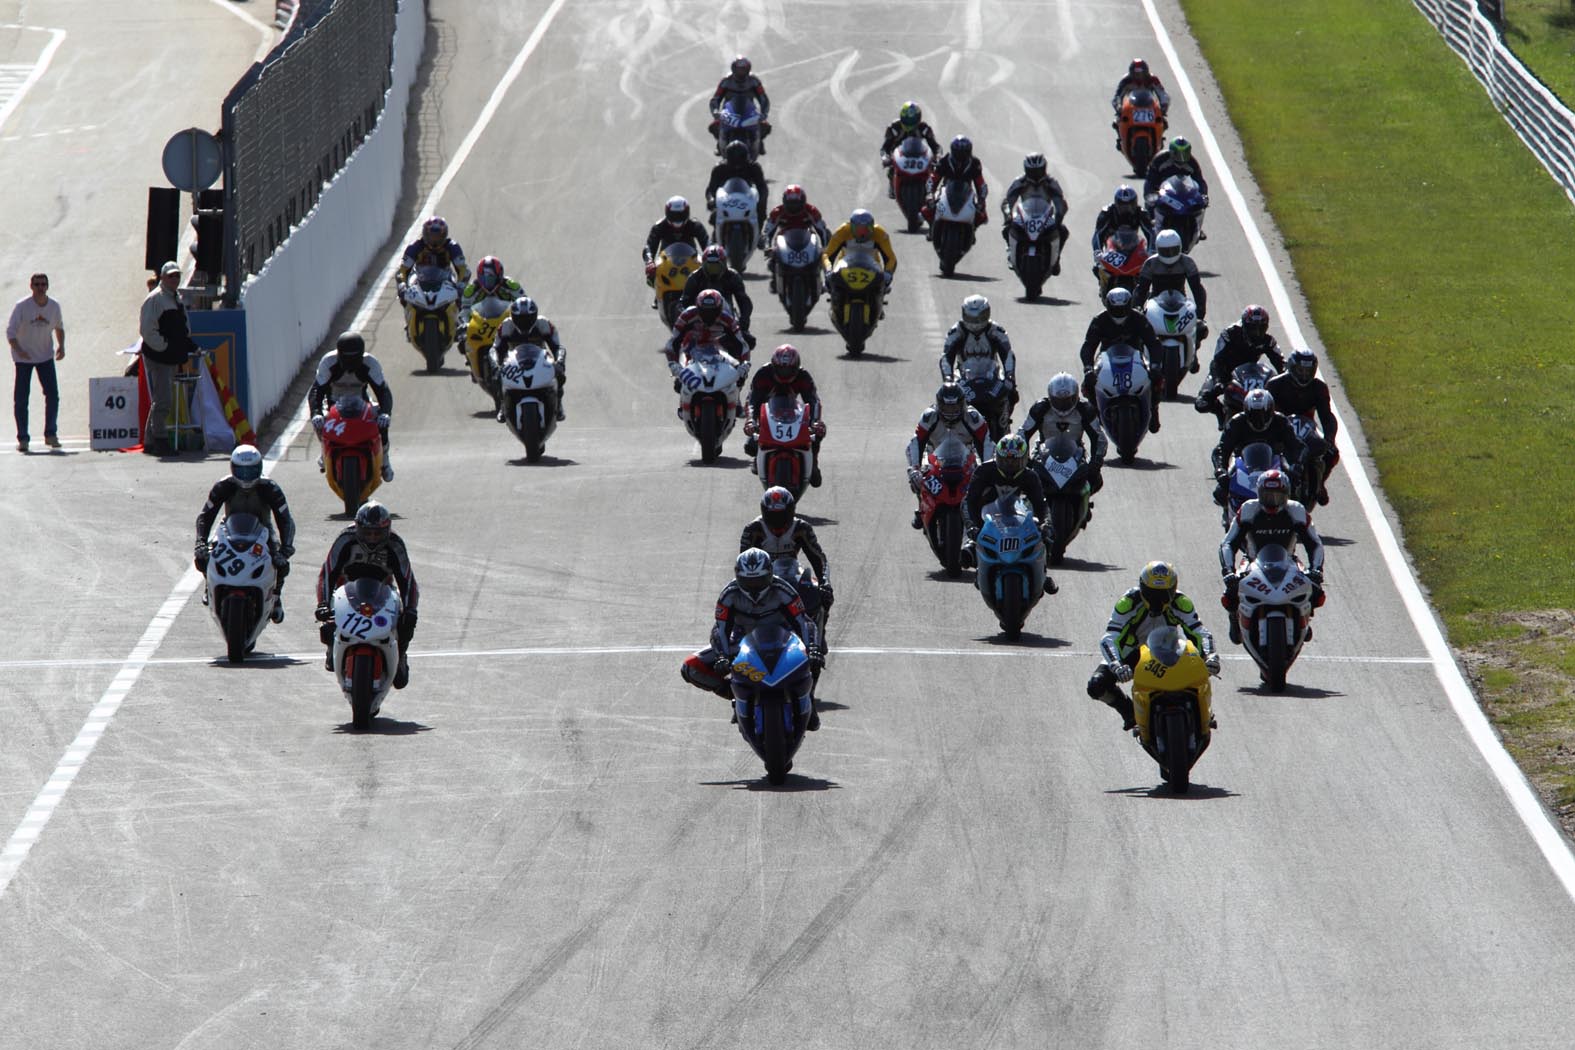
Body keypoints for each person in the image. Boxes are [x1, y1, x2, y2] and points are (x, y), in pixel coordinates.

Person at [679, 548, 825, 728]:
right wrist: (722, 655)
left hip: (783, 641)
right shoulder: (729, 594)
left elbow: (804, 621)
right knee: (690, 667)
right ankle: (736, 695)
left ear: (770, 574)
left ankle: (807, 698)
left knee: (813, 661)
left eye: (759, 580)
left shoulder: (783, 590)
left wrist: (812, 648)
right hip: (743, 643)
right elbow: (720, 629)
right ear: (738, 576)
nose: (754, 587)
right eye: (748, 581)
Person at [1086, 561, 1218, 730]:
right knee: (1096, 685)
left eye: (1164, 595)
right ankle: (1129, 712)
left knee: (1202, 672)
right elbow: (1110, 637)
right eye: (1151, 593)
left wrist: (1210, 655)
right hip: (1133, 653)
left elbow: (1200, 632)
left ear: (1173, 590)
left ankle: (1204, 715)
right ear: (1142, 588)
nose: (1157, 600)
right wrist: (1116, 664)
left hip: (1172, 651)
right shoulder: (1128, 603)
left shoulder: (1181, 602)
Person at [315, 500, 418, 689]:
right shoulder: (345, 538)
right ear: (358, 528)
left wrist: (411, 609)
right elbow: (327, 573)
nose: (372, 538)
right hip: (345, 590)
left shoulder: (395, 544)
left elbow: (408, 581)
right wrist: (322, 603)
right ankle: (332, 648)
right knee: (327, 624)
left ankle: (401, 654)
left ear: (387, 531)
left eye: (377, 534)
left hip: (382, 591)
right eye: (367, 533)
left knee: (406, 621)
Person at [1219, 469, 1326, 643]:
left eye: (1277, 496)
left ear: (1287, 495)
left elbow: (1315, 544)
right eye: (1268, 496)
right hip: (1252, 560)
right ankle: (1234, 616)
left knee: (1315, 590)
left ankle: (1305, 616)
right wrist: (1228, 572)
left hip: (1289, 560)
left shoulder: (1296, 510)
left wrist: (1316, 571)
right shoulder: (1248, 509)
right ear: (1259, 494)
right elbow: (1228, 543)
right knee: (1230, 592)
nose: (1273, 501)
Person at [194, 444, 296, 623]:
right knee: (202, 557)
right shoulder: (223, 485)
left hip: (263, 530)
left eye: (251, 471)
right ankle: (208, 586)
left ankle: (276, 596)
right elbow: (205, 516)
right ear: (233, 469)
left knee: (281, 563)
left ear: (260, 468)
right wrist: (200, 541)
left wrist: (286, 548)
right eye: (242, 471)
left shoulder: (270, 487)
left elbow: (285, 519)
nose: (246, 477)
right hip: (228, 529)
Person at [962, 434, 1058, 594]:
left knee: (1046, 536)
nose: (1010, 465)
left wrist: (1046, 523)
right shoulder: (984, 470)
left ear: (1025, 459)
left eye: (1015, 461)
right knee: (966, 551)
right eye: (1006, 460)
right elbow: (968, 501)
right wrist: (971, 526)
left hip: (1015, 514)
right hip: (985, 518)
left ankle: (1043, 573)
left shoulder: (1030, 476)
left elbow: (1041, 505)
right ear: (997, 457)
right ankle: (976, 557)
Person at [739, 486, 834, 632]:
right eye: (773, 516)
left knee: (824, 596)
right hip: (762, 578)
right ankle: (743, 634)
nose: (778, 521)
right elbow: (743, 562)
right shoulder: (753, 529)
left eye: (782, 516)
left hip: (793, 573)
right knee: (740, 602)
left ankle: (819, 634)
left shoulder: (802, 528)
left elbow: (818, 558)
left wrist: (825, 583)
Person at [308, 331, 396, 481]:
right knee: (319, 421)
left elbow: (383, 391)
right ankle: (325, 451)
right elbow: (316, 390)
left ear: (361, 355)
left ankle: (385, 461)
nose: (350, 364)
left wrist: (385, 413)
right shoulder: (328, 362)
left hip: (362, 404)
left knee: (382, 423)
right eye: (347, 358)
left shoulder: (370, 363)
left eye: (354, 358)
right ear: (339, 354)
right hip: (333, 405)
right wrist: (316, 413)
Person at [906, 382, 993, 529]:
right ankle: (921, 507)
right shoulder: (929, 416)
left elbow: (987, 442)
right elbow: (916, 442)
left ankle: (979, 513)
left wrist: (988, 466)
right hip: (934, 458)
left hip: (965, 458)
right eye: (947, 407)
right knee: (917, 478)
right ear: (939, 405)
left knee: (986, 485)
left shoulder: (973, 417)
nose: (951, 411)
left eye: (954, 407)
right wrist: (915, 468)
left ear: (963, 404)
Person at [1078, 287, 1166, 432]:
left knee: (1157, 378)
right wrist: (1088, 368)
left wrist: (1156, 366)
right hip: (1106, 359)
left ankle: (1154, 407)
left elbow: (1153, 343)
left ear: (1129, 305)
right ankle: (1097, 411)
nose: (1119, 313)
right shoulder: (1099, 320)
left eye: (1123, 309)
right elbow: (1088, 346)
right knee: (1087, 384)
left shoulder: (1139, 318)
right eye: (1115, 309)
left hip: (1136, 357)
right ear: (1108, 306)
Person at [138, 261, 199, 455]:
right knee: (163, 400)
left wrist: (186, 344)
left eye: (177, 276)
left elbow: (182, 327)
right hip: (159, 357)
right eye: (170, 276)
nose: (174, 279)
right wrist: (164, 348)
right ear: (163, 278)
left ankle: (150, 441)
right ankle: (160, 441)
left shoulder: (175, 298)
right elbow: (147, 330)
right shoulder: (155, 299)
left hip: (169, 357)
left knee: (161, 398)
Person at [1265, 348, 1339, 505]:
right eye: (1300, 370)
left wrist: (1329, 439)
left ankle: (1319, 484)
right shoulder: (1275, 384)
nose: (1304, 375)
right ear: (1292, 367)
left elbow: (1327, 416)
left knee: (1332, 453)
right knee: (1266, 450)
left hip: (1307, 428)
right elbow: (1266, 413)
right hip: (1280, 427)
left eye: (1308, 371)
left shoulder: (1319, 387)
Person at [743, 344, 824, 485]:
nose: (784, 373)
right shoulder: (763, 374)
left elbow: (813, 401)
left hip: (793, 412)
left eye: (789, 370)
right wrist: (751, 421)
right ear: (774, 366)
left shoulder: (803, 376)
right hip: (767, 415)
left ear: (796, 367)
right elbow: (752, 400)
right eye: (781, 369)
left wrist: (815, 422)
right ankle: (758, 456)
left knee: (817, 434)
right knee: (750, 445)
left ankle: (814, 464)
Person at [1211, 388, 1307, 506]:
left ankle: (1291, 512)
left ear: (1271, 411)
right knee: (1220, 491)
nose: (1259, 420)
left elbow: (1298, 446)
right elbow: (1221, 449)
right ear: (1246, 411)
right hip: (1242, 462)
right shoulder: (1236, 422)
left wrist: (1297, 465)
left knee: (1295, 485)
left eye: (1263, 414)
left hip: (1275, 461)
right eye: (1254, 415)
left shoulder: (1281, 421)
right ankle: (1229, 511)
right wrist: (1221, 471)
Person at [1017, 372, 1108, 496]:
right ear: (1050, 397)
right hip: (1042, 453)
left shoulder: (1085, 410)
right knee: (1024, 480)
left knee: (1095, 479)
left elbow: (1099, 437)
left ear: (1076, 396)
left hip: (1076, 454)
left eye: (1068, 400)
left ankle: (1083, 504)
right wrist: (1025, 460)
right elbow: (1023, 433)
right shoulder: (1040, 408)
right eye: (1058, 401)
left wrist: (1095, 462)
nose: (1063, 405)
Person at [1195, 304, 1286, 425]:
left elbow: (1281, 364)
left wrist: (1285, 380)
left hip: (1251, 374)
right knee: (1201, 403)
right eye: (1253, 328)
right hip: (1225, 372)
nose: (1257, 333)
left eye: (1261, 328)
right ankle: (1221, 411)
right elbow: (1217, 361)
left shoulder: (1268, 340)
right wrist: (1219, 381)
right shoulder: (1229, 334)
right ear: (1245, 326)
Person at [940, 295, 1016, 436]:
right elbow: (946, 357)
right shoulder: (956, 331)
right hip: (963, 376)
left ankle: (1003, 425)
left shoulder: (996, 330)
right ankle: (950, 433)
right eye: (972, 318)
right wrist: (948, 378)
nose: (975, 323)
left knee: (1011, 393)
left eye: (979, 317)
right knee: (948, 400)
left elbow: (1008, 354)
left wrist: (1010, 376)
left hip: (991, 375)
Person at [7, 272, 64, 452]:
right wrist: (19, 350)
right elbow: (10, 333)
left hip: (45, 356)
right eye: (37, 284)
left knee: (52, 395)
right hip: (23, 359)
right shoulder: (22, 306)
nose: (40, 288)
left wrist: (62, 345)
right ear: (31, 287)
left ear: (47, 286)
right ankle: (23, 438)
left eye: (43, 284)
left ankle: (50, 434)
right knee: (22, 398)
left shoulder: (54, 306)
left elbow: (59, 327)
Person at [489, 296, 567, 422]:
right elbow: (495, 349)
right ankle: (503, 405)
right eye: (520, 319)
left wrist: (560, 362)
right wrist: (495, 366)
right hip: (513, 361)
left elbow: (558, 347)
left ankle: (559, 404)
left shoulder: (544, 323)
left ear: (535, 315)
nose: (524, 322)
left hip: (540, 360)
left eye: (527, 319)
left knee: (559, 373)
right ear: (513, 316)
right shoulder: (506, 326)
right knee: (497, 377)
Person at [396, 216, 469, 337]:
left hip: (444, 276)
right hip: (420, 276)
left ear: (444, 235)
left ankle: (457, 320)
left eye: (438, 237)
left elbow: (463, 270)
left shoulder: (452, 246)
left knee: (459, 294)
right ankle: (409, 320)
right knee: (405, 294)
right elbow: (402, 270)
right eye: (431, 236)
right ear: (425, 234)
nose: (434, 240)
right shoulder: (415, 246)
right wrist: (402, 285)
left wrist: (461, 286)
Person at [998, 152, 1070, 272]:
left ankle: (1056, 258)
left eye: (1038, 171)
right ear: (1026, 169)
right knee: (1006, 229)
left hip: (1046, 216)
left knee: (1062, 231)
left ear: (1044, 169)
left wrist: (1059, 218)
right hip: (1025, 214)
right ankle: (1011, 251)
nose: (1035, 174)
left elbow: (1060, 202)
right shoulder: (1020, 182)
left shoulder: (1051, 183)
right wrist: (1008, 216)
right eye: (1032, 171)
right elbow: (1008, 201)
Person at [1132, 228, 1208, 338]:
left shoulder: (1187, 262)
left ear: (1179, 247)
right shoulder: (1151, 263)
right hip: (1155, 306)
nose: (1169, 254)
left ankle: (1192, 351)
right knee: (1141, 334)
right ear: (1158, 249)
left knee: (1198, 331)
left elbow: (1197, 289)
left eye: (1173, 250)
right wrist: (1137, 308)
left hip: (1181, 304)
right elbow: (1141, 290)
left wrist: (1200, 312)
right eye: (1165, 251)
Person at [823, 209, 897, 317]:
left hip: (872, 268)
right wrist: (828, 270)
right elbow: (827, 255)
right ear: (851, 227)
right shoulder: (843, 231)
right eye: (858, 229)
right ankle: (836, 306)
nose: (862, 233)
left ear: (872, 227)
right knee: (831, 284)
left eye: (866, 229)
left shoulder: (880, 234)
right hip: (845, 267)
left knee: (882, 286)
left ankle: (877, 305)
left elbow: (891, 258)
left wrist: (888, 273)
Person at [760, 185, 832, 295]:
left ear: (803, 201)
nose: (793, 206)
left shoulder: (811, 211)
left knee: (819, 258)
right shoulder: (777, 212)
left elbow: (822, 230)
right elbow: (767, 232)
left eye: (796, 203)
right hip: (784, 240)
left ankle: (818, 281)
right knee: (772, 260)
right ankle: (775, 280)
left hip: (807, 239)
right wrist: (767, 246)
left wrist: (826, 247)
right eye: (791, 203)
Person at [643, 196, 710, 307]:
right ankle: (659, 294)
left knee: (708, 273)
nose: (677, 219)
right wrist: (649, 261)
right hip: (666, 260)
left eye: (681, 215)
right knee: (651, 274)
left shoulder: (695, 225)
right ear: (667, 213)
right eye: (674, 215)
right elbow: (649, 247)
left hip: (691, 259)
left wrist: (708, 256)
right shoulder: (659, 226)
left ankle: (704, 294)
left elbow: (707, 242)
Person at [664, 289, 749, 375]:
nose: (709, 316)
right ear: (698, 308)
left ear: (720, 309)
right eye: (705, 312)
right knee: (679, 382)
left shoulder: (728, 320)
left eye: (713, 312)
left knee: (738, 378)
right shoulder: (686, 316)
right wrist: (673, 364)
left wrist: (744, 365)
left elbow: (742, 345)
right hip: (691, 351)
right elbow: (672, 343)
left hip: (720, 352)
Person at [681, 245, 755, 339]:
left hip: (727, 320)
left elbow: (744, 302)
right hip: (699, 322)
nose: (713, 271)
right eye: (710, 267)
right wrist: (687, 320)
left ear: (724, 265)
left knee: (747, 341)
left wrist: (744, 322)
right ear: (703, 265)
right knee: (681, 343)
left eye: (716, 267)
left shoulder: (733, 276)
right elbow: (683, 302)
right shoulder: (695, 277)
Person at [709, 55, 771, 153]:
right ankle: (719, 144)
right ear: (733, 69)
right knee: (713, 126)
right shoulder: (726, 81)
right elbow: (716, 99)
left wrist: (764, 114)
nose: (740, 72)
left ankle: (759, 143)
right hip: (729, 112)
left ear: (748, 69)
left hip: (749, 111)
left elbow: (763, 98)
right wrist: (716, 112)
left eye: (743, 69)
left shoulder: (754, 81)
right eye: (738, 69)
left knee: (765, 126)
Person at [925, 135, 988, 230]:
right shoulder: (945, 161)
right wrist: (930, 194)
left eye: (963, 153)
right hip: (945, 191)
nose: (960, 157)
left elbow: (981, 184)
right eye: (958, 153)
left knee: (982, 214)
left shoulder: (975, 163)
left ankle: (972, 228)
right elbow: (933, 179)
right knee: (927, 208)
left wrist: (981, 199)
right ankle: (932, 227)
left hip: (967, 193)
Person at [879, 101, 942, 197]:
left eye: (912, 122)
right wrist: (885, 158)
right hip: (900, 157)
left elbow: (936, 147)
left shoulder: (924, 128)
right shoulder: (894, 128)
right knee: (891, 170)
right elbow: (884, 148)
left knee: (933, 170)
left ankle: (930, 190)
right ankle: (893, 186)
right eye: (906, 121)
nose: (909, 125)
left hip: (919, 156)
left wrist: (937, 157)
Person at [704, 140, 769, 229]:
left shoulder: (754, 167)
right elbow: (711, 189)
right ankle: (715, 236)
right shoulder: (719, 168)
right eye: (734, 159)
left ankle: (759, 234)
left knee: (760, 213)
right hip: (726, 200)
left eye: (740, 158)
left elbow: (762, 187)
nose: (737, 164)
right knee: (714, 216)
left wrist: (761, 201)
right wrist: (711, 200)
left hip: (748, 199)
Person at [1143, 135, 1211, 219]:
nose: (1181, 157)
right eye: (1178, 154)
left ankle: (1195, 228)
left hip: (1184, 197)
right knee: (1150, 210)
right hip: (1163, 196)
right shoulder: (1160, 160)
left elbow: (1200, 181)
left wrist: (1203, 195)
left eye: (1185, 153)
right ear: (1172, 152)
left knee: (1198, 209)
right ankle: (1153, 224)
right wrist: (1150, 194)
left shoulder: (1192, 163)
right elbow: (1150, 180)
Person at [1110, 58, 1171, 148]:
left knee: (1163, 122)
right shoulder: (1126, 80)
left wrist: (1164, 106)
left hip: (1149, 105)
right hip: (1132, 106)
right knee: (1117, 122)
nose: (1139, 76)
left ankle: (1159, 140)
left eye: (1141, 74)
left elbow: (1162, 94)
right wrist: (1119, 107)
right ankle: (1121, 139)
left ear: (1146, 72)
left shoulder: (1153, 79)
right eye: (1136, 74)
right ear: (1131, 73)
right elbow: (1117, 96)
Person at [456, 255, 524, 331]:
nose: (487, 283)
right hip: (479, 329)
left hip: (507, 326)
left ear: (499, 276)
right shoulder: (470, 290)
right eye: (483, 279)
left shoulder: (512, 285)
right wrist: (465, 324)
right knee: (463, 340)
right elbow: (464, 312)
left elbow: (523, 305)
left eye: (491, 279)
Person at [1090, 184, 1154, 252]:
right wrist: (1098, 252)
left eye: (1130, 205)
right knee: (1099, 262)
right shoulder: (1106, 213)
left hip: (1133, 248)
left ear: (1135, 203)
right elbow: (1097, 234)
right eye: (1123, 205)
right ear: (1116, 204)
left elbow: (1150, 233)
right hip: (1111, 251)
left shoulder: (1141, 213)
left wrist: (1151, 251)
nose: (1127, 208)